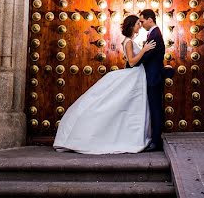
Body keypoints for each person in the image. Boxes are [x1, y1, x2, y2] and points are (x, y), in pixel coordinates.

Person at [53, 15, 157, 154]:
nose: (140, 25)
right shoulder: (129, 42)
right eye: (138, 23)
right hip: (134, 75)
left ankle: (131, 136)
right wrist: (144, 50)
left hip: (137, 76)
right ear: (132, 26)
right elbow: (132, 62)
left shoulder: (129, 41)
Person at [138, 9, 173, 151]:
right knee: (154, 108)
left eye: (142, 21)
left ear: (150, 20)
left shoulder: (154, 35)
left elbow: (146, 57)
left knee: (156, 109)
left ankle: (156, 142)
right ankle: (155, 139)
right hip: (153, 77)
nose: (141, 24)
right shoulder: (153, 34)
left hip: (154, 79)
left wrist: (133, 61)